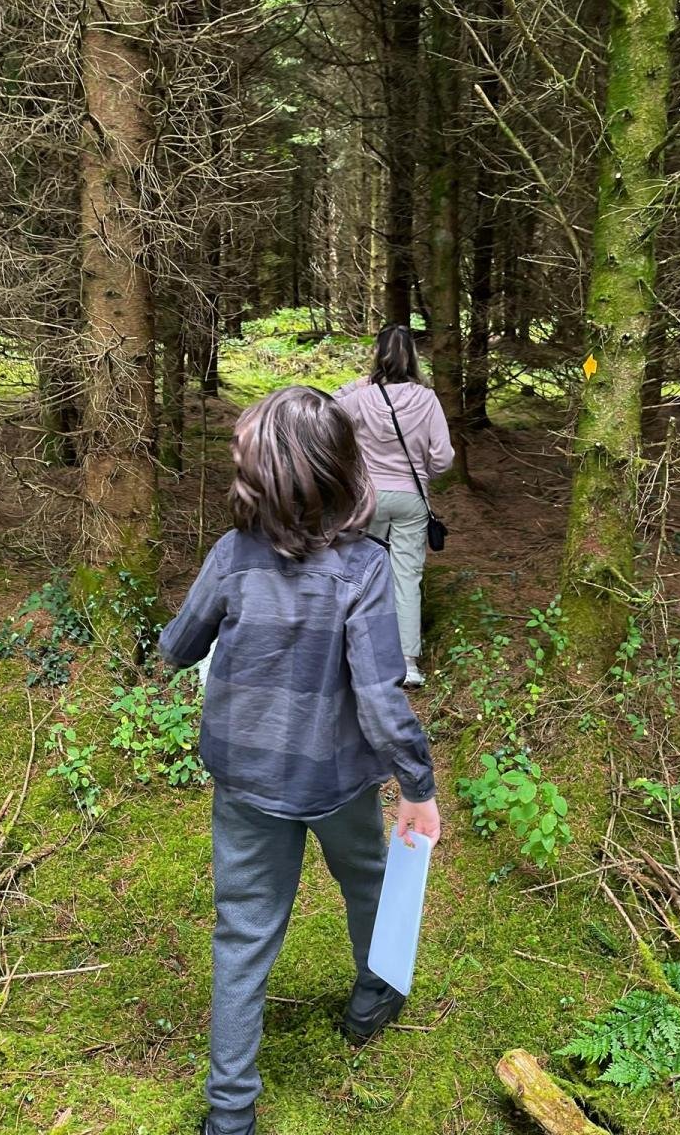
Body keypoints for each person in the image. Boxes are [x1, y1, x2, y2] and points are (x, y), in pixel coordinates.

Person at [158, 385, 441, 1135]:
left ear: (259, 476)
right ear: (345, 472)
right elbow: (382, 698)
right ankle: (374, 995)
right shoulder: (366, 568)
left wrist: (198, 634)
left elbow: (178, 646)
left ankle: (229, 1114)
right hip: (337, 780)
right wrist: (417, 786)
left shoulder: (231, 556)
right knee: (368, 882)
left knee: (244, 931)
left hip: (245, 782)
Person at [336, 324, 454, 688]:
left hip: (367, 497)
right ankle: (408, 664)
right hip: (410, 499)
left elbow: (324, 409)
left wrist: (354, 387)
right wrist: (423, 473)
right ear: (414, 357)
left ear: (378, 354)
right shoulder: (427, 398)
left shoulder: (362, 397)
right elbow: (444, 457)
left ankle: (353, 653)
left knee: (358, 573)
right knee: (406, 578)